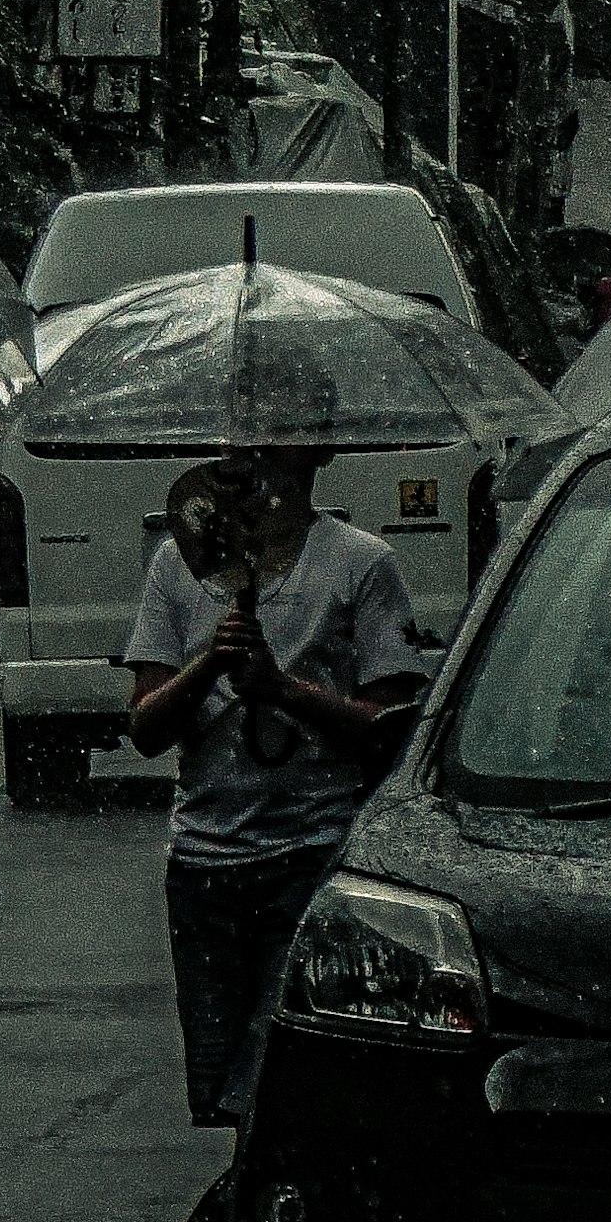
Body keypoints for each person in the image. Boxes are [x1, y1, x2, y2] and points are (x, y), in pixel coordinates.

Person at [124, 444, 427, 1129]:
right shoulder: (179, 565)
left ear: (313, 456)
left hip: (313, 858)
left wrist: (283, 689)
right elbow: (145, 724)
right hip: (204, 869)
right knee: (219, 1086)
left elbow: (390, 727)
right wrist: (209, 665)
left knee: (284, 1078)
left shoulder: (361, 562)